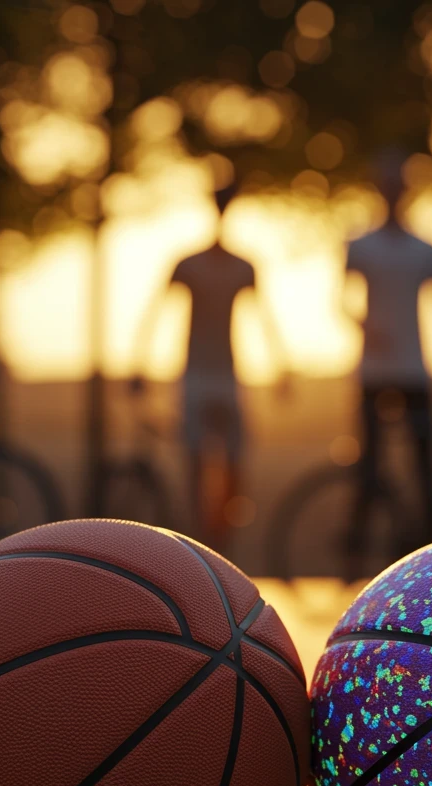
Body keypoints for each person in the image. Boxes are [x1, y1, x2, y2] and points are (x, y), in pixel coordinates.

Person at [134, 182, 285, 549]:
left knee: (234, 460)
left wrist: (280, 365)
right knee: (196, 460)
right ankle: (198, 540)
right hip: (196, 375)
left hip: (226, 375)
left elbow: (263, 317)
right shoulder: (190, 264)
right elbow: (157, 311)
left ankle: (221, 538)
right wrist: (140, 363)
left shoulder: (241, 266)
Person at [344, 149, 432, 555]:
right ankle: (358, 549)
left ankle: (430, 553)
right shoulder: (361, 246)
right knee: (369, 465)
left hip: (414, 370)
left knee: (426, 466)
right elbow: (339, 299)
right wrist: (363, 325)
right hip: (373, 371)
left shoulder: (423, 250)